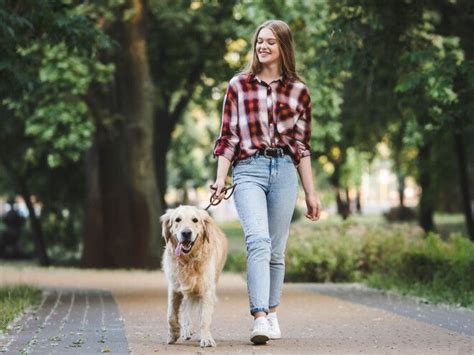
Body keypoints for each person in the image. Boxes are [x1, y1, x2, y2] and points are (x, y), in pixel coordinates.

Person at [212, 19, 321, 345]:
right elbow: (228, 137)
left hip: (285, 171)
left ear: (283, 47)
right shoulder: (238, 85)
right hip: (248, 170)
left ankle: (272, 311)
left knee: (276, 249)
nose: (263, 46)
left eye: (271, 42)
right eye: (260, 41)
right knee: (258, 240)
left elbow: (302, 147)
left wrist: (311, 193)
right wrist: (221, 178)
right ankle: (259, 316)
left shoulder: (299, 91)